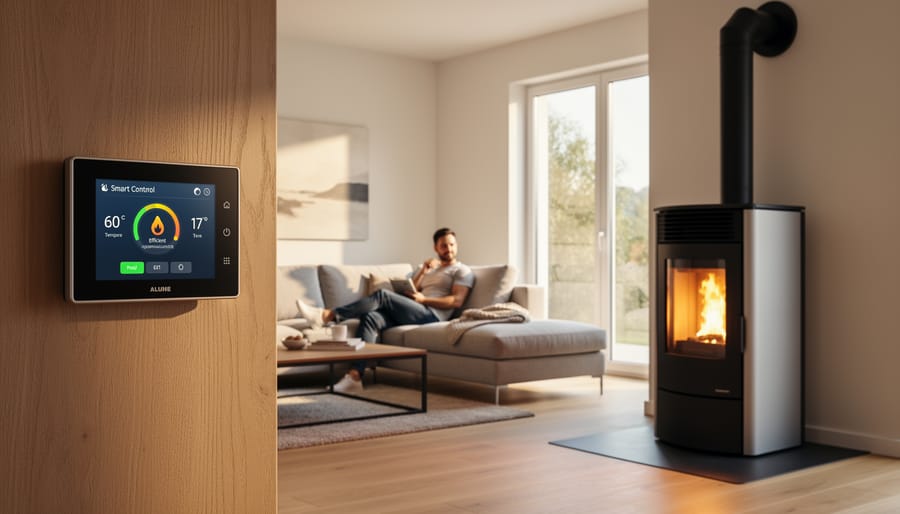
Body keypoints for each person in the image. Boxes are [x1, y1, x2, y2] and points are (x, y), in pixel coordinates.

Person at [296, 227, 474, 392]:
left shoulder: (461, 270)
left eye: (452, 244)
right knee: (370, 317)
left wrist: (424, 299)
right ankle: (355, 377)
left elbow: (456, 301)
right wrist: (423, 271)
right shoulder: (431, 269)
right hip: (416, 310)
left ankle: (328, 316)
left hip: (433, 315)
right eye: (444, 245)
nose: (448, 249)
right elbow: (414, 289)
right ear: (436, 247)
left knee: (382, 295)